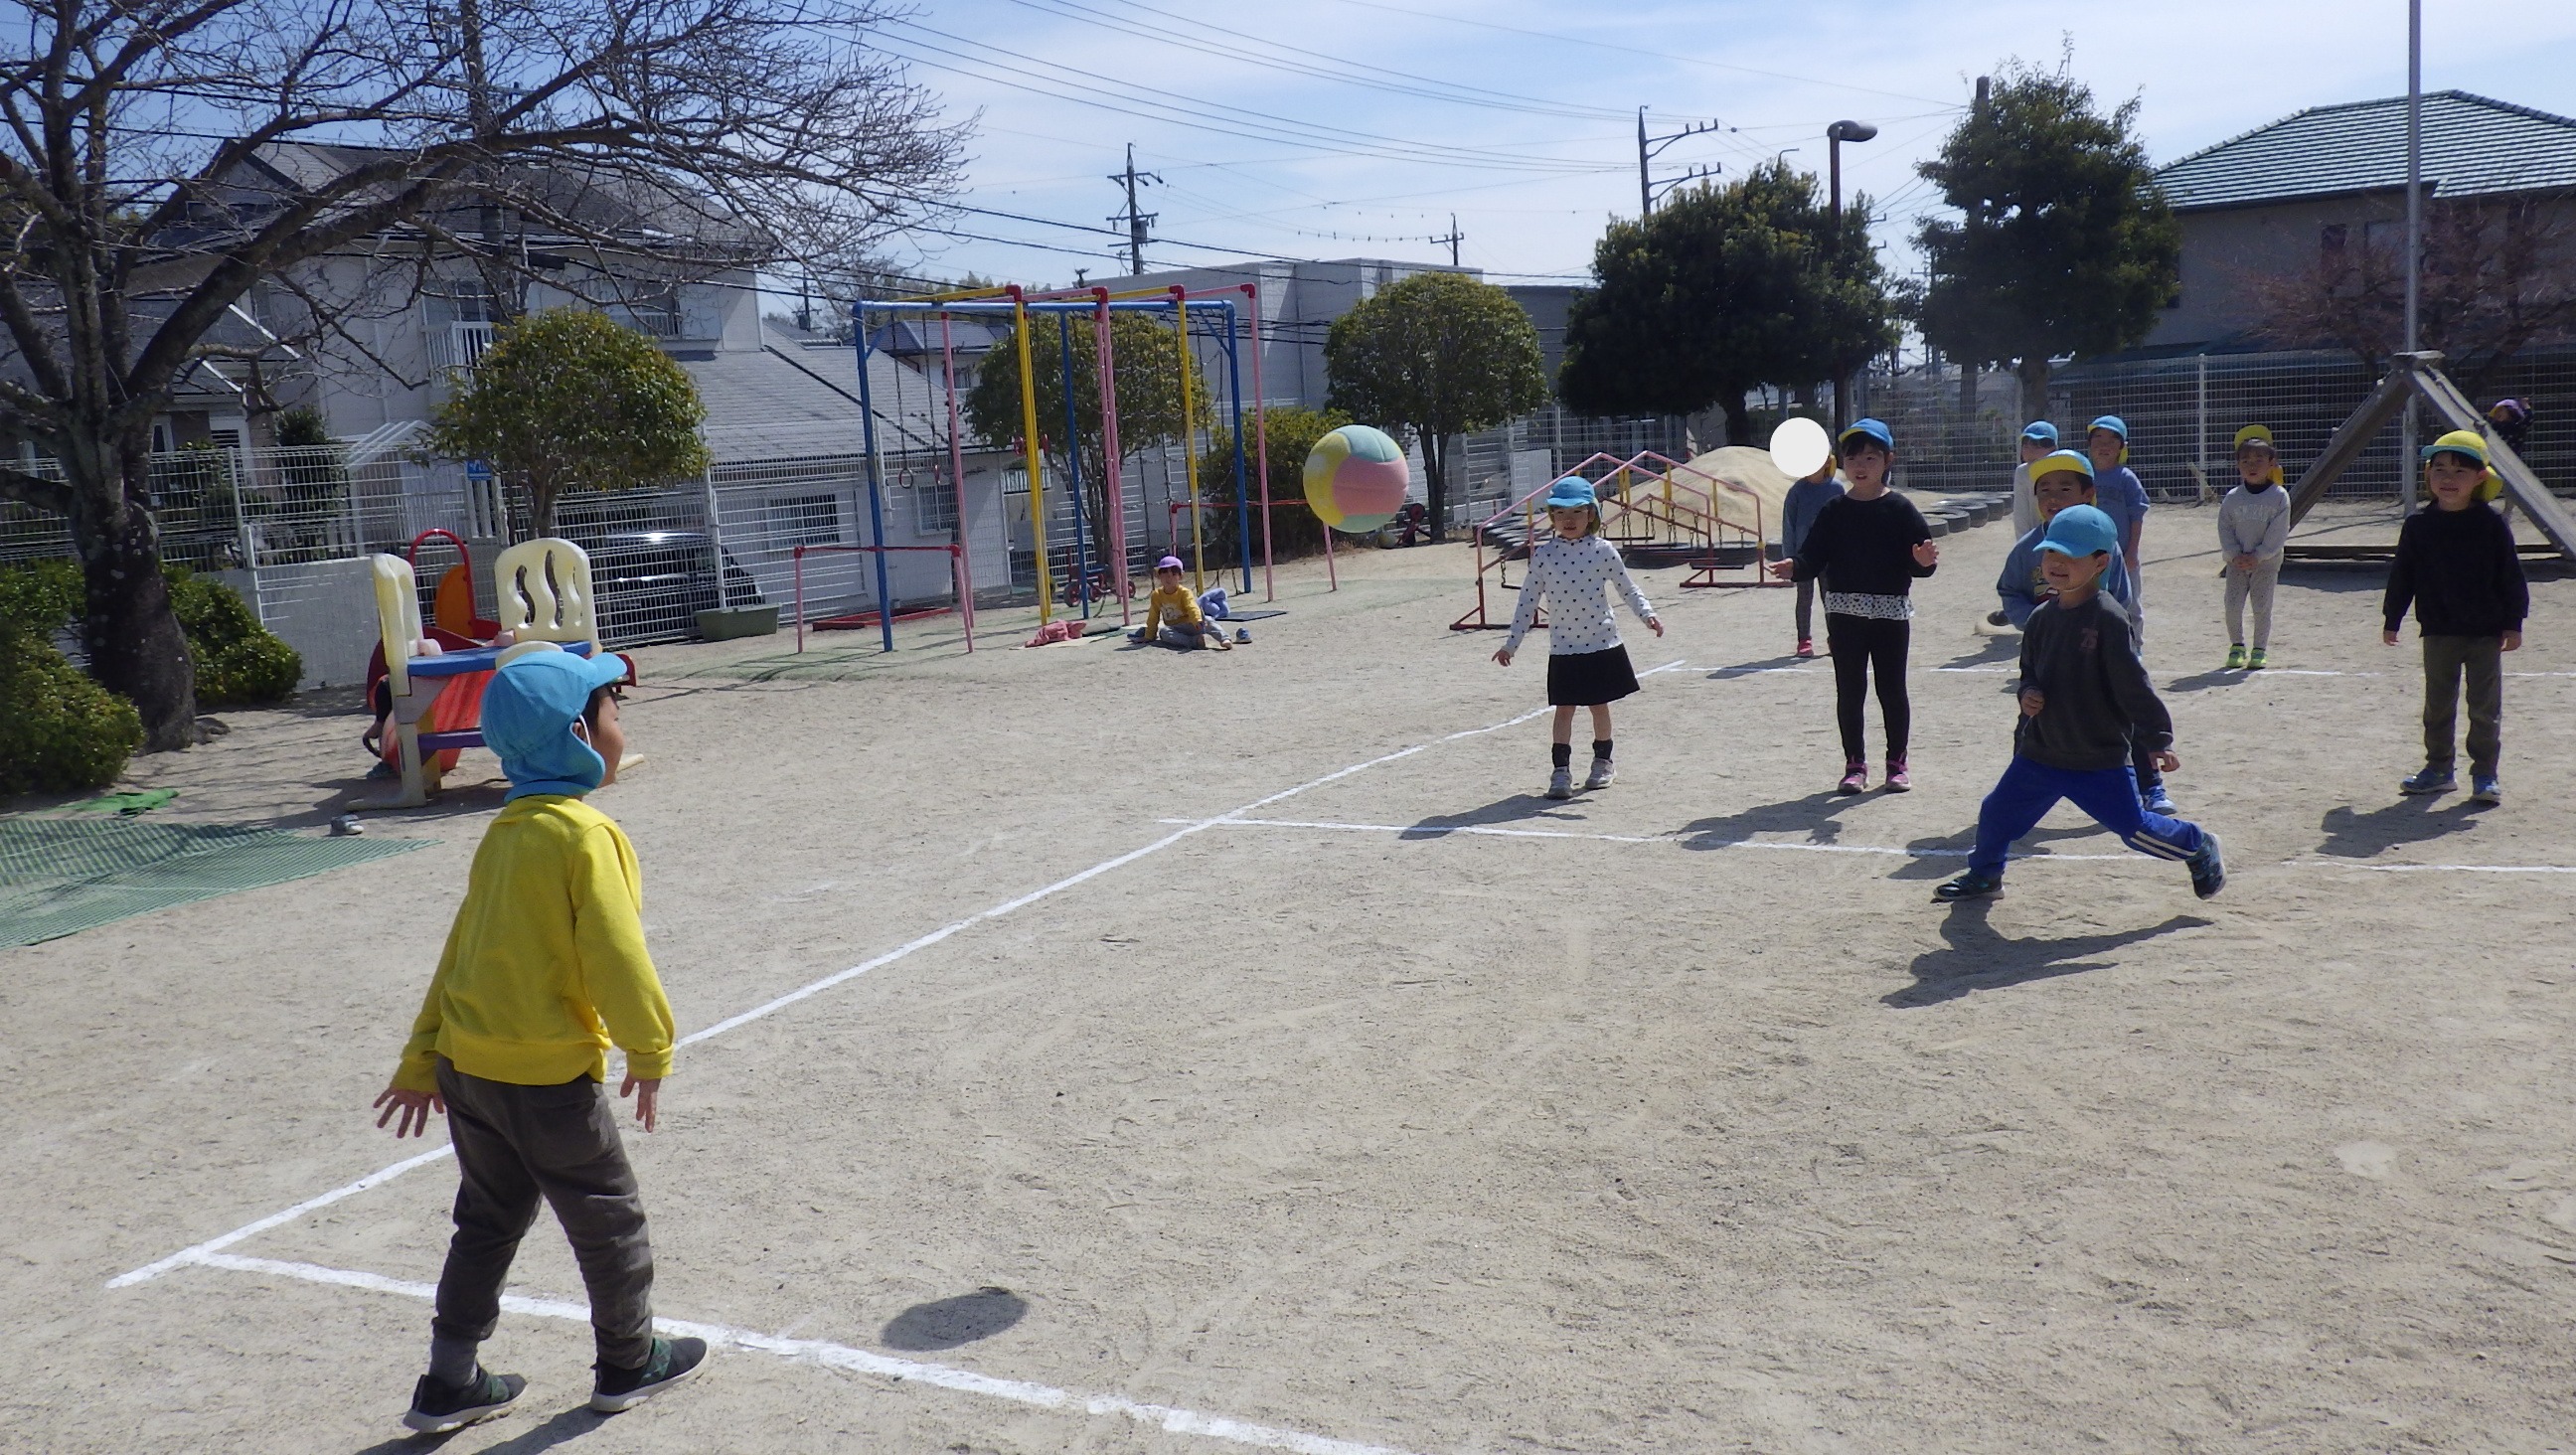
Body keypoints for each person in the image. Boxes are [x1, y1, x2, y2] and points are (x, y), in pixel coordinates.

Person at [372, 647, 706, 1434]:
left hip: (468, 1069)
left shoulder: (505, 834)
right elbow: (615, 955)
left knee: (486, 1221)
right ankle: (628, 1361)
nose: (621, 730)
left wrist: (423, 1058)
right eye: (614, 714)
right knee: (608, 1220)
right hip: (547, 1080)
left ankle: (449, 1379)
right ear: (578, 737)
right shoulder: (586, 835)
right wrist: (649, 1050)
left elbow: (461, 953)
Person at [1935, 504, 2225, 903]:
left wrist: (2159, 737)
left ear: (2100, 563)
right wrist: (2028, 693)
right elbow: (2028, 670)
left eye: (2071, 556)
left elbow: (2133, 686)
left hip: (2097, 758)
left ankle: (2197, 844)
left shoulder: (2109, 618)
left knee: (2136, 830)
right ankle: (1986, 876)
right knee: (1996, 813)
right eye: (2052, 552)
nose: (2057, 563)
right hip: (2042, 752)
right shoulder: (2041, 618)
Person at [1766, 418, 1938, 794]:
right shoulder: (1834, 510)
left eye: (1871, 458)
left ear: (1888, 460)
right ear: (1842, 462)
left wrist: (1924, 563)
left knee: (1892, 689)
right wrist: (1794, 567)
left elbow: (1919, 563)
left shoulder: (1901, 509)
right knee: (1850, 690)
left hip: (1891, 615)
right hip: (1844, 614)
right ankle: (1855, 765)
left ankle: (1897, 763)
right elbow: (1813, 557)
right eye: (1853, 458)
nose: (1861, 466)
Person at [1995, 450, 2171, 813]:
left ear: (2088, 495)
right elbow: (2010, 590)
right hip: (2052, 653)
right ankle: (2019, 790)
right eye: (2044, 489)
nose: (2053, 497)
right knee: (2032, 716)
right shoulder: (2028, 549)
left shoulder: (2103, 546)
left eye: (2065, 488)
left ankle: (2150, 785)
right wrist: (2036, 620)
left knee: (2123, 715)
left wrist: (2101, 630)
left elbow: (2121, 597)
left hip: (2099, 651)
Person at [2384, 429, 2528, 805]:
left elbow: (2510, 575)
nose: (2448, 479)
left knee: (2484, 708)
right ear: (2427, 474)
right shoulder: (2418, 525)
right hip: (2438, 630)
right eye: (2440, 469)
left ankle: (2485, 774)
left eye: (2460, 471)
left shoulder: (2491, 524)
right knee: (2438, 706)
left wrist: (2514, 622)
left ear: (2480, 478)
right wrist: (2392, 617)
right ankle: (2438, 769)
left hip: (2485, 632)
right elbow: (2403, 574)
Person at [1495, 476, 1664, 800]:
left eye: (1577, 512)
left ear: (1591, 514)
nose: (1568, 520)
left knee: (1599, 706)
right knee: (1564, 709)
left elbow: (1627, 588)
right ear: (1552, 517)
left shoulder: (1603, 551)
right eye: (1560, 513)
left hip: (1601, 643)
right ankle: (1560, 771)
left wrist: (1647, 615)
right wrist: (1511, 644)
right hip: (1564, 648)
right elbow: (1527, 601)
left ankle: (1603, 763)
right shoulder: (1544, 556)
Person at [2217, 424, 2292, 671]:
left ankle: (2259, 649)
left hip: (2266, 563)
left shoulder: (2279, 496)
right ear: (2238, 464)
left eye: (2259, 460)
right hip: (2236, 563)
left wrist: (2259, 555)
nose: (2252, 465)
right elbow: (2225, 527)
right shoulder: (2232, 497)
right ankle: (2237, 646)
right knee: (2232, 606)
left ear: (2272, 463)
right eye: (2245, 460)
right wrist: (2233, 554)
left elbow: (2278, 532)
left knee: (2261, 606)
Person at [2085, 415, 2152, 642]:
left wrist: (2132, 552)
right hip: (2089, 556)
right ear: (2089, 444)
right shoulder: (2083, 476)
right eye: (2098, 439)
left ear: (2122, 447)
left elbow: (2136, 516)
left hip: (2122, 556)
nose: (2104, 446)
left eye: (2112, 441)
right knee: (2092, 603)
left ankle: (2135, 646)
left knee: (2130, 603)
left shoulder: (2126, 478)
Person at [1778, 449, 1845, 659]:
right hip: (1803, 556)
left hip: (1830, 555)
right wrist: (1789, 558)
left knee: (1831, 598)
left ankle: (1835, 638)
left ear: (1827, 462)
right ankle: (1804, 640)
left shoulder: (1836, 488)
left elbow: (1845, 523)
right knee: (1804, 598)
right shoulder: (1796, 491)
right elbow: (1788, 525)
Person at [1132, 556, 1231, 650]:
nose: (1169, 577)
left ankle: (1224, 638)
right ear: (1158, 576)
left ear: (1181, 576)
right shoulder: (1156, 595)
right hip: (1175, 628)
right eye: (1164, 573)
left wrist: (1197, 620)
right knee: (1164, 632)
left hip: (1192, 624)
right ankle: (1195, 641)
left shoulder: (1184, 592)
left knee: (1208, 620)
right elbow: (1153, 617)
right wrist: (1149, 636)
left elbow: (1192, 607)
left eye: (1174, 574)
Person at [2009, 419, 2058, 541]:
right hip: (2034, 537)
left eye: (2036, 444)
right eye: (2025, 444)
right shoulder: (2022, 472)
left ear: (2053, 449)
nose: (2029, 449)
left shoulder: (2063, 471)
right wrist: (2023, 544)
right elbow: (2021, 514)